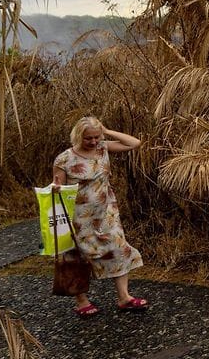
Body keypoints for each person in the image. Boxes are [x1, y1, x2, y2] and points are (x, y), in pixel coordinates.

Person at [52, 116, 147, 317]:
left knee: (119, 247)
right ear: (78, 135)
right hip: (78, 217)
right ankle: (82, 301)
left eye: (96, 137)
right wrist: (55, 189)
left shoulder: (103, 148)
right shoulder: (64, 159)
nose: (93, 141)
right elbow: (57, 187)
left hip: (106, 212)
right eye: (88, 138)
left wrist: (107, 131)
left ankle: (124, 298)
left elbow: (134, 143)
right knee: (76, 256)